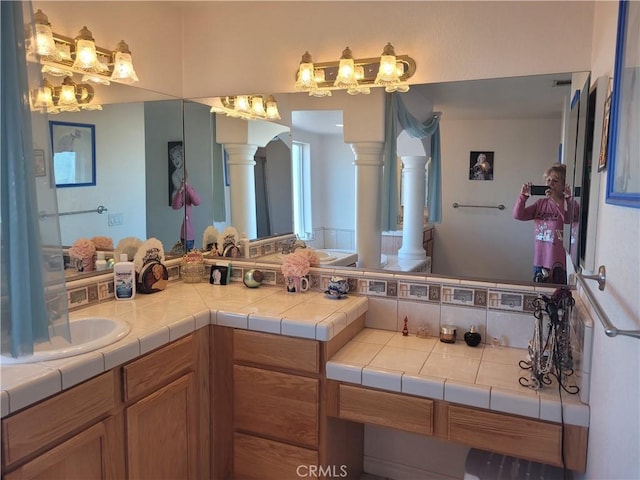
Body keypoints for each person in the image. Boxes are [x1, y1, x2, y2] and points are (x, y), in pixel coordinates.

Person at [513, 163, 579, 284]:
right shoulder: (540, 203)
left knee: (559, 298)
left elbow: (568, 220)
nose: (550, 183)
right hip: (540, 260)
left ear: (564, 185)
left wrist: (556, 200)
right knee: (541, 297)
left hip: (560, 263)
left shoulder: (570, 203)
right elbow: (518, 215)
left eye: (555, 181)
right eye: (548, 180)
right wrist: (523, 197)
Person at [171, 177, 201, 251]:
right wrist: (180, 191)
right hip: (183, 234)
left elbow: (197, 202)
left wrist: (187, 187)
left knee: (190, 251)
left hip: (190, 233)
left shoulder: (190, 190)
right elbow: (175, 206)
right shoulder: (180, 193)